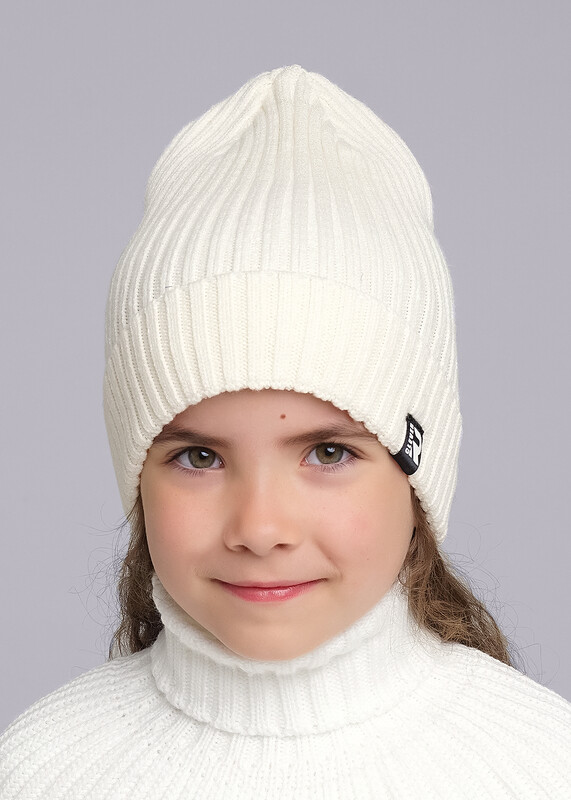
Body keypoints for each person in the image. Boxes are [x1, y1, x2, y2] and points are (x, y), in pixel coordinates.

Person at [1, 63, 570, 799]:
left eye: (328, 452)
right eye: (199, 456)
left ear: (417, 472)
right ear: (137, 478)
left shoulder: (536, 767)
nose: (260, 528)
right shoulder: (45, 770)